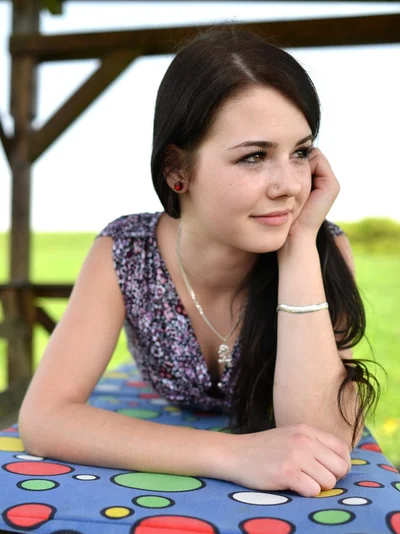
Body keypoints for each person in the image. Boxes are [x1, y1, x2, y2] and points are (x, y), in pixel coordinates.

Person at [18, 24, 383, 498]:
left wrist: (299, 250)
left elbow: (327, 440)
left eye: (300, 153)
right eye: (254, 157)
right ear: (176, 171)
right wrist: (234, 454)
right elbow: (44, 418)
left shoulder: (321, 249)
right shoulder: (125, 252)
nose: (290, 185)